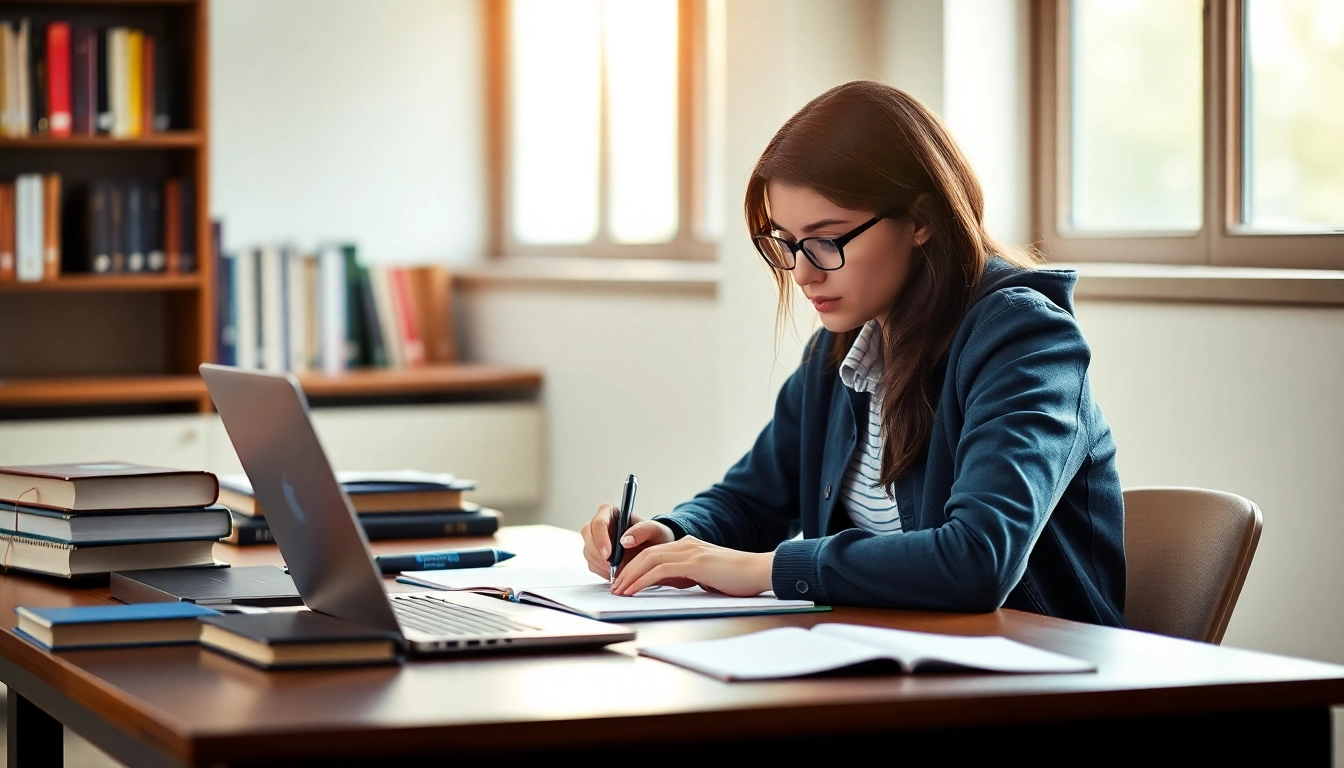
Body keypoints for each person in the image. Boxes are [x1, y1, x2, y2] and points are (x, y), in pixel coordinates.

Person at [580, 80, 1126, 627]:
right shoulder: (839, 352)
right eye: (787, 242)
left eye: (827, 239)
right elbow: (752, 499)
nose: (803, 271)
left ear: (920, 219)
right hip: (883, 667)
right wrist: (667, 535)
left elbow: (977, 558)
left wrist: (765, 569)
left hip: (1036, 682)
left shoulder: (1024, 338)